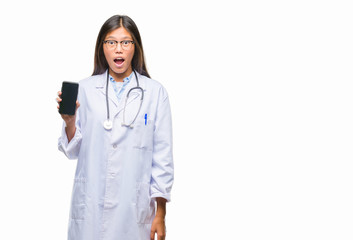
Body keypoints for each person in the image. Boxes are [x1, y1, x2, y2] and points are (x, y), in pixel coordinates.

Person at [56, 15, 174, 240]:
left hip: (133, 211)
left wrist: (161, 213)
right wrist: (69, 122)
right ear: (102, 48)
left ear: (135, 48)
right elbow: (72, 150)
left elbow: (163, 157)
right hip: (90, 208)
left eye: (125, 42)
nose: (118, 49)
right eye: (111, 42)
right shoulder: (86, 89)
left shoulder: (155, 93)